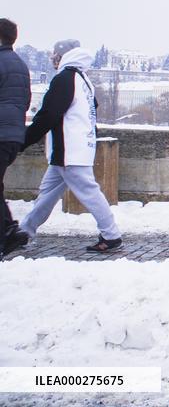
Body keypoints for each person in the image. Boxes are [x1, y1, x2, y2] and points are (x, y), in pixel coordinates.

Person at [20, 40, 123, 252]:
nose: (52, 59)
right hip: (74, 148)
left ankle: (112, 235)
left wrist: (24, 140)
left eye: (54, 56)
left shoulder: (64, 79)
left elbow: (48, 114)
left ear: (61, 56)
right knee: (47, 195)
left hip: (68, 151)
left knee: (89, 193)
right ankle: (24, 232)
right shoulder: (83, 80)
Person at [0, 18, 31, 259]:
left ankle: (8, 231)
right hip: (13, 135)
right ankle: (8, 231)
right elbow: (26, 101)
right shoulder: (20, 64)